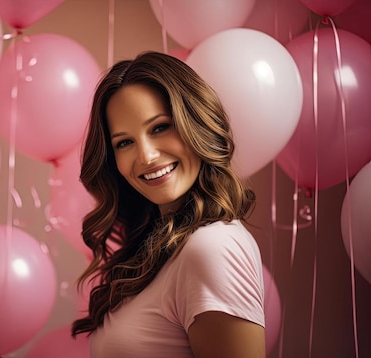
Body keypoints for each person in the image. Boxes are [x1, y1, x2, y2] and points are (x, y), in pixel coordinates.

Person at [71, 51, 265, 357]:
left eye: (160, 127)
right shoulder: (155, 253)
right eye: (124, 142)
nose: (146, 156)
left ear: (196, 123)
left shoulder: (212, 247)